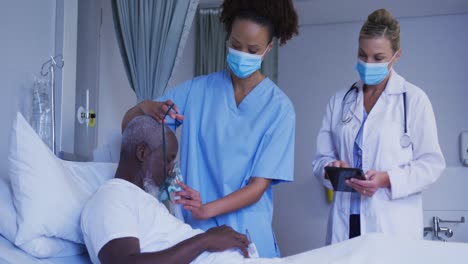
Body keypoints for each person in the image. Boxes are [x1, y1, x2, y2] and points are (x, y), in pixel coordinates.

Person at [121, 0, 299, 258]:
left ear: (268, 48)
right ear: (227, 38)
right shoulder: (197, 91)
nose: (243, 54)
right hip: (197, 236)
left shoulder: (279, 109)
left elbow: (258, 186)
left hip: (248, 237)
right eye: (236, 45)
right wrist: (144, 107)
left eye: (253, 49)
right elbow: (132, 130)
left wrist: (207, 209)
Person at [312, 9, 445, 244]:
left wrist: (387, 179)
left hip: (390, 225)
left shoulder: (413, 99)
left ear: (396, 56)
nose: (368, 63)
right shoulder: (340, 100)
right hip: (345, 223)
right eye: (362, 55)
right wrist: (331, 167)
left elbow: (432, 165)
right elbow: (320, 160)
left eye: (378, 58)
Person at [81, 115, 251, 264]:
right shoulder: (112, 197)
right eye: (168, 159)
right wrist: (206, 240)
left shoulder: (145, 201)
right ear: (142, 153)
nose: (170, 170)